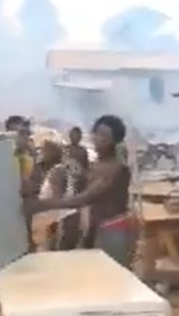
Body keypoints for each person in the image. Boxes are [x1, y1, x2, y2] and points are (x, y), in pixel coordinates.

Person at [25, 115, 133, 269]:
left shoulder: (115, 169)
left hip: (113, 231)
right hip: (96, 229)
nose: (99, 139)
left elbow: (85, 198)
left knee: (111, 276)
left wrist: (41, 205)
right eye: (97, 133)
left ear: (115, 140)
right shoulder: (97, 164)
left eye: (105, 135)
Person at [40, 140, 89, 251]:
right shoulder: (58, 170)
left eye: (45, 150)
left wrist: (52, 230)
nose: (43, 153)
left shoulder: (58, 172)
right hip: (61, 222)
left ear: (53, 152)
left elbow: (57, 203)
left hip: (62, 223)